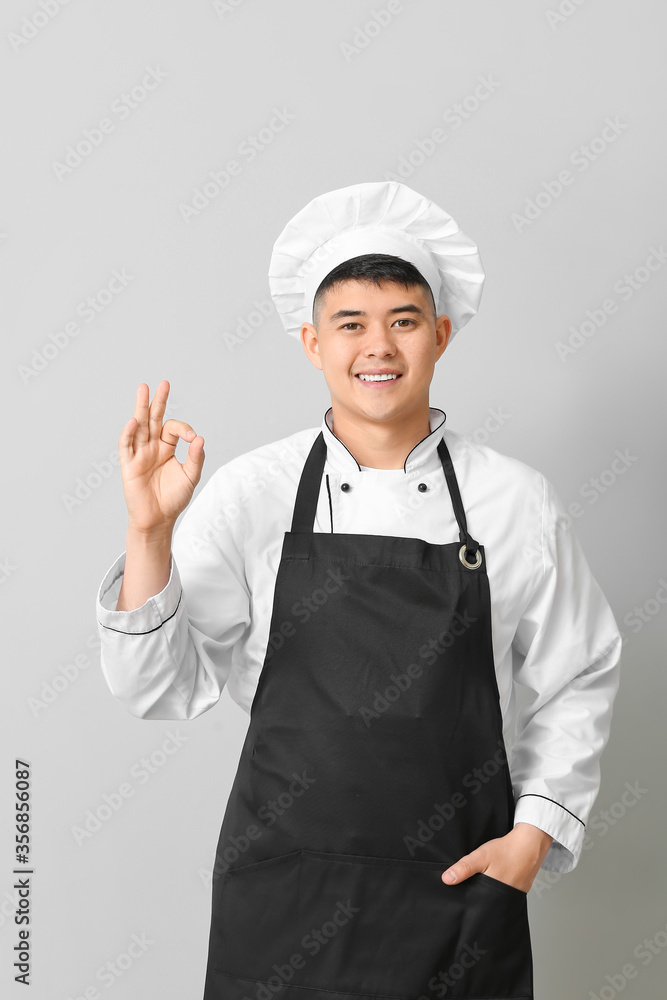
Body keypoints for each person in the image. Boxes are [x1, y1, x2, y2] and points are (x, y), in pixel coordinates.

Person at [96, 181, 622, 999]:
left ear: (439, 335)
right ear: (312, 342)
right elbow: (154, 687)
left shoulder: (514, 500)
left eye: (402, 322)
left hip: (457, 893)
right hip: (282, 899)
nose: (377, 347)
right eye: (350, 325)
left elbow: (577, 673)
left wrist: (535, 832)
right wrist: (148, 535)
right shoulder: (250, 493)